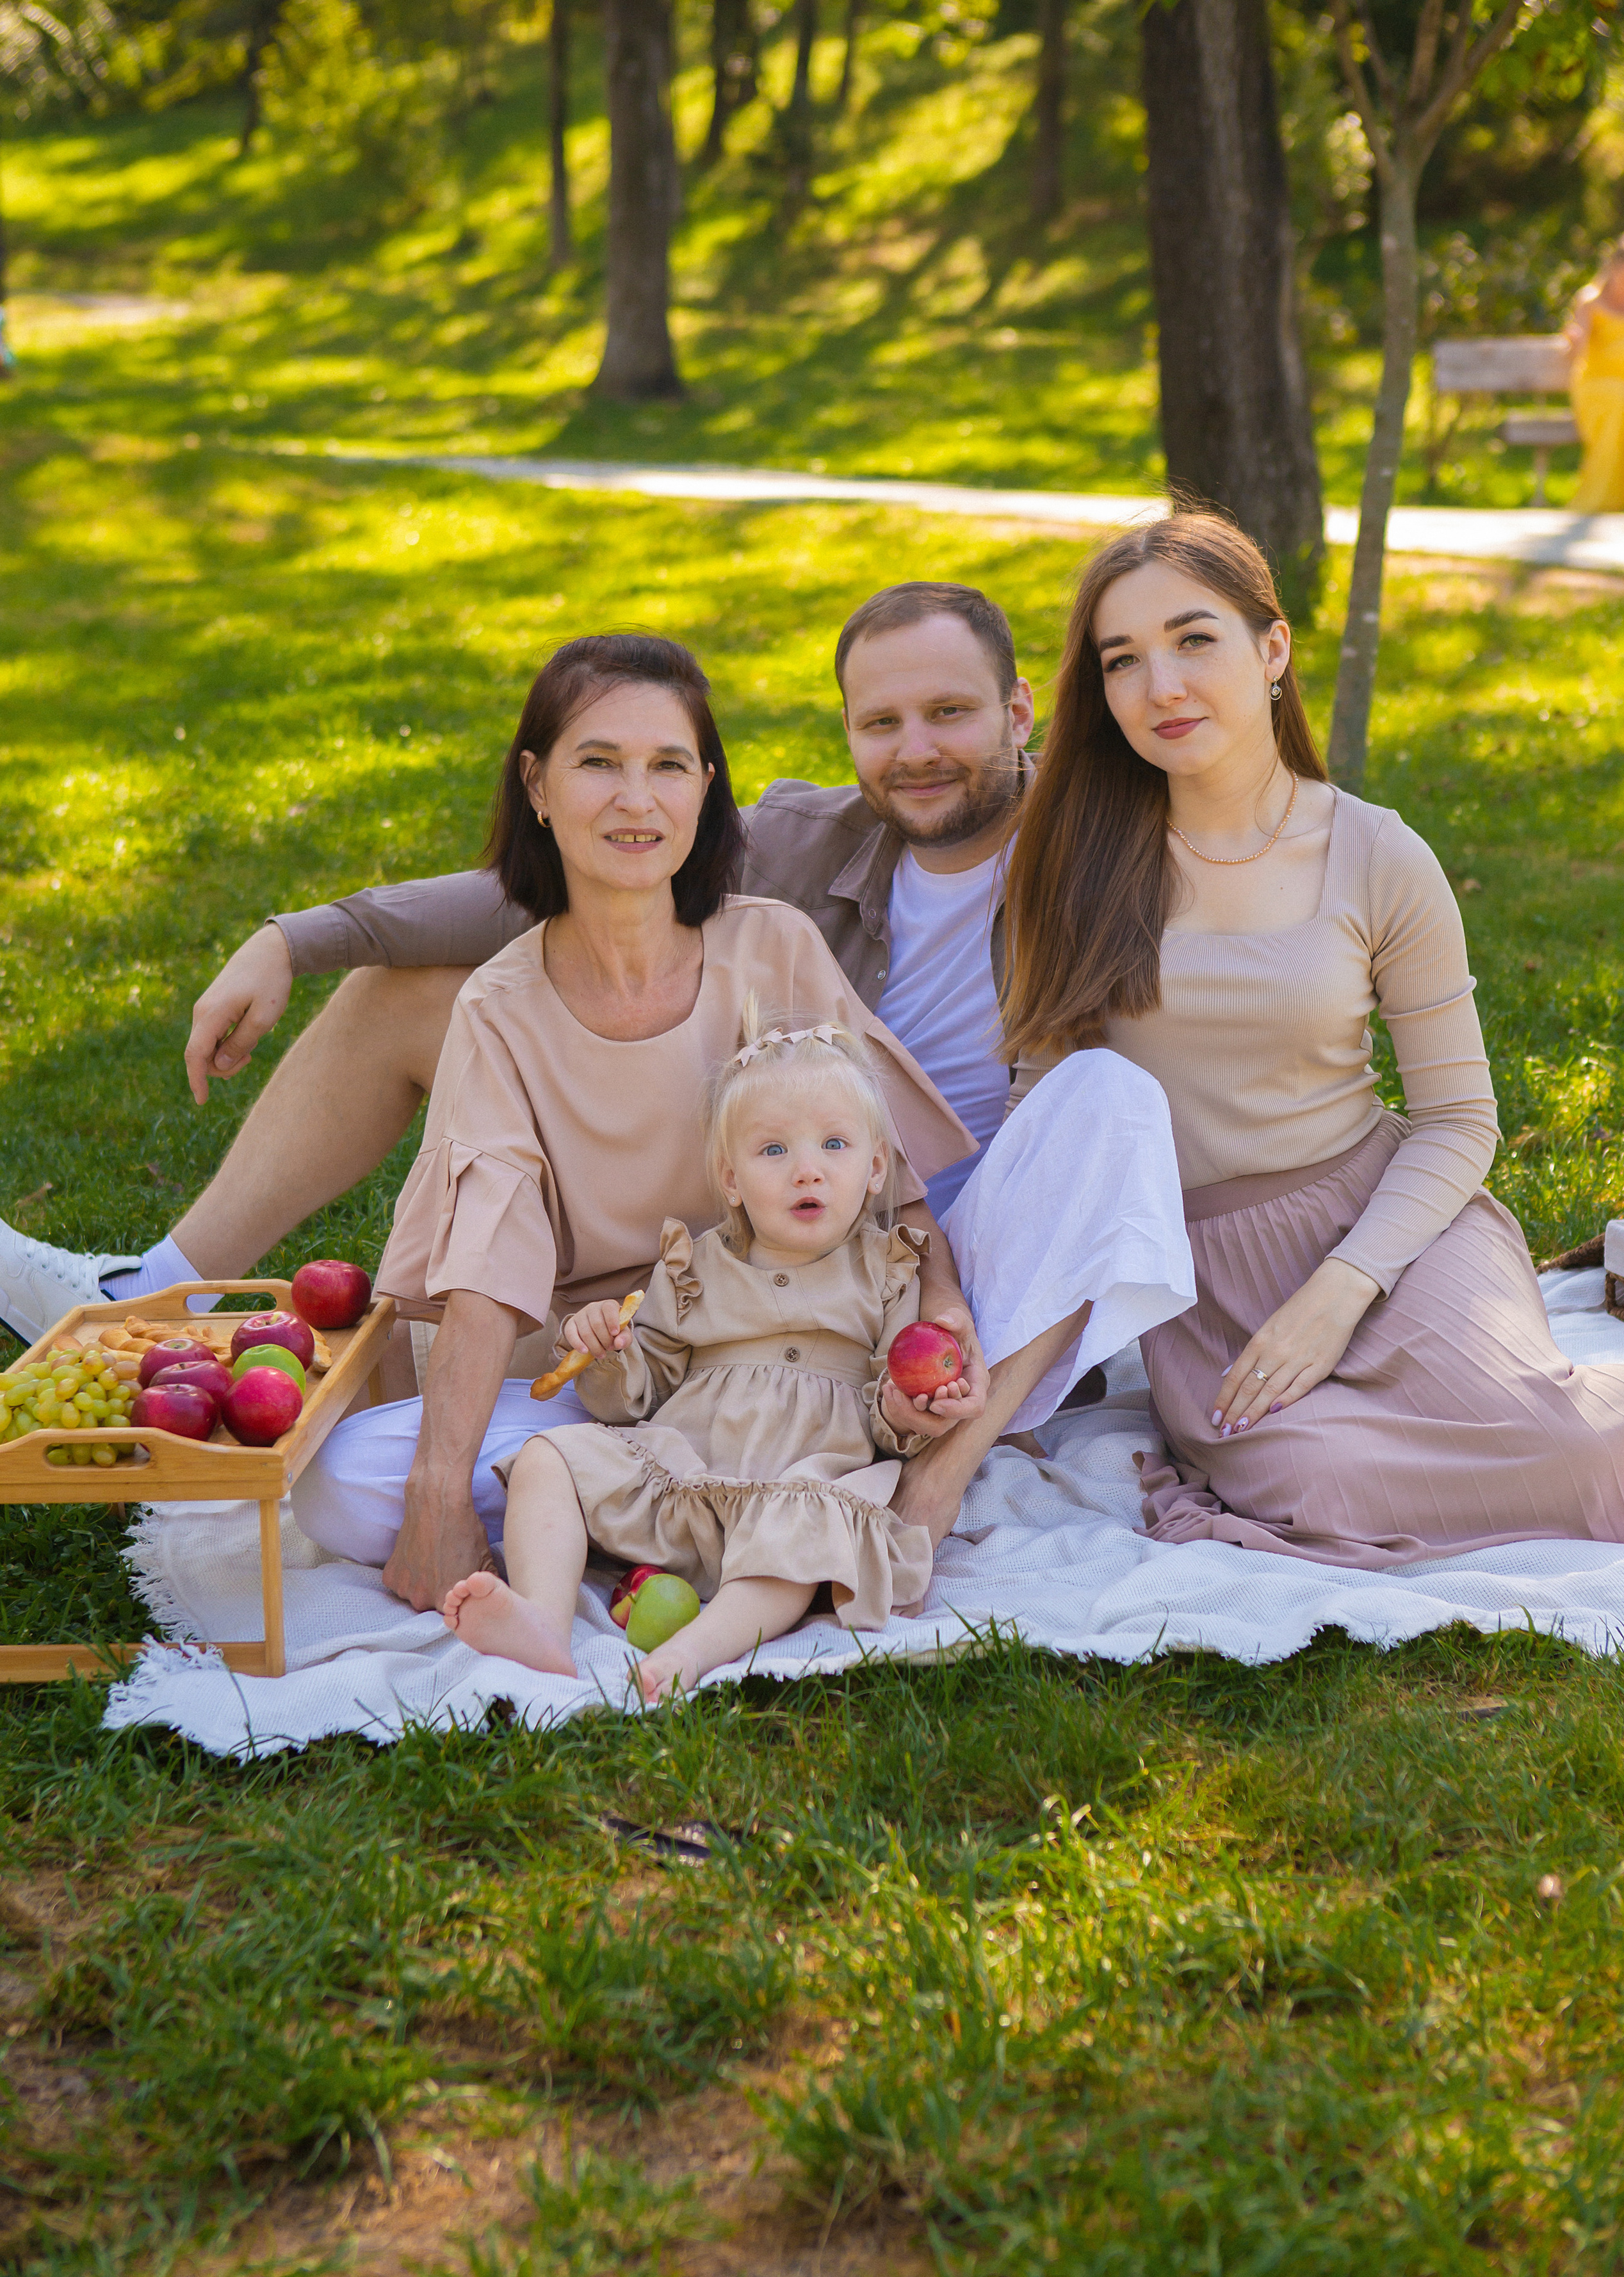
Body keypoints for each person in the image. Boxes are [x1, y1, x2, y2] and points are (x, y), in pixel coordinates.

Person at [0, 583, 1195, 1546]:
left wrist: (927, 1306)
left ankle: (915, 1465)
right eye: (882, 722)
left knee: (1109, 1100)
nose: (916, 750)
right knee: (407, 1000)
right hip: (731, 1216)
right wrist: (293, 937)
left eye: (952, 714)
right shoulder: (795, 837)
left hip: (943, 1245)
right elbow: (558, 877)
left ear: (1022, 709)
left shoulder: (1095, 856)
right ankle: (146, 1298)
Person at [288, 629, 1192, 1608]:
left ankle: (888, 1497)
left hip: (834, 1363)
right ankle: (755, 1516)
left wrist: (942, 1314)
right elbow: (488, 1277)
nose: (637, 800)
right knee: (342, 1489)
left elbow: (895, 1183)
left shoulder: (775, 948)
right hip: (639, 1387)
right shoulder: (501, 1007)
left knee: (1110, 1099)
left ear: (704, 792)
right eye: (599, 764)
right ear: (538, 787)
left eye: (668, 766)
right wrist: (432, 1491)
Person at [998, 509, 1624, 1567]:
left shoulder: (1379, 854)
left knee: (1575, 1450)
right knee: (1323, 1484)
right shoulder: (1074, 859)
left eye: (1195, 639)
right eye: (1124, 660)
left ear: (1273, 649)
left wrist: (1343, 1288)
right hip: (1203, 1272)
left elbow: (1458, 1120)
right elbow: (1046, 1115)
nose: (1162, 688)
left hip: (1391, 1226)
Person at [443, 1003, 962, 1701]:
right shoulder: (696, 1265)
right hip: (683, 1482)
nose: (806, 1171)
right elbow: (637, 1390)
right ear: (730, 1180)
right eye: (774, 1151)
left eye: (833, 1146)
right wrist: (603, 1351)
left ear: (874, 1170)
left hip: (797, 1489)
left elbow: (884, 1407)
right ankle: (541, 1620)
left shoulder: (886, 1269)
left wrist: (905, 1408)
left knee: (808, 1532)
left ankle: (695, 1651)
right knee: (548, 1456)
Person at [1568, 236, 1624, 514]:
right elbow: (1577, 347)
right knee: (1619, 399)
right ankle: (1602, 498)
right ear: (1614, 268)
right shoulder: (1590, 300)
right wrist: (1574, 338)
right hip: (1596, 387)